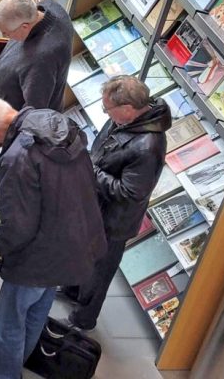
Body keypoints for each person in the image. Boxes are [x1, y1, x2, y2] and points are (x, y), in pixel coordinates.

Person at [0, 94, 106, 379]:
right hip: (73, 242)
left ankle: (3, 375)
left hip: (38, 256)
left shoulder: (18, 158)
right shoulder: (53, 123)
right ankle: (7, 363)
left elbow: (18, 227)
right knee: (36, 312)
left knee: (8, 322)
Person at [63, 76, 170, 330]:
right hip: (96, 205)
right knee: (83, 251)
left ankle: (83, 319)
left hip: (114, 220)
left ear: (127, 109)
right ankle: (71, 289)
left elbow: (129, 192)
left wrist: (89, 169)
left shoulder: (148, 147)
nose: (106, 113)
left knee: (100, 268)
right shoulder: (124, 121)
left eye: (108, 109)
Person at [0, 0, 73, 113]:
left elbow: (33, 110)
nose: (5, 37)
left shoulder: (41, 59)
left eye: (6, 33)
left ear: (24, 26)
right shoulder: (49, 7)